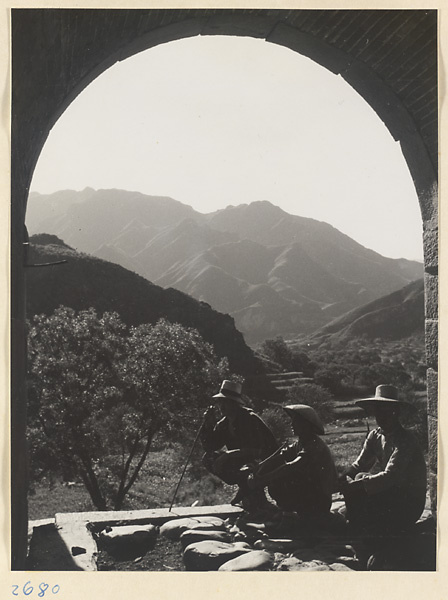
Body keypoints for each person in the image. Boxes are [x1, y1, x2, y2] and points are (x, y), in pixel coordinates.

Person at [339, 384, 427, 536]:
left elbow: (391, 476)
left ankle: (371, 530)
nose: (381, 416)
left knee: (359, 489)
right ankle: (361, 524)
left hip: (408, 500)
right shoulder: (375, 435)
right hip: (390, 493)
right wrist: (342, 477)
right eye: (378, 411)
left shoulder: (405, 439)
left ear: (395, 413)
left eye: (386, 411)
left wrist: (358, 485)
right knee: (357, 480)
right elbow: (360, 464)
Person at [200, 380, 279, 509]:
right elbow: (210, 447)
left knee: (247, 469)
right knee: (208, 458)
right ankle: (245, 487)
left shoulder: (249, 419)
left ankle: (253, 494)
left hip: (267, 461)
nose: (221, 406)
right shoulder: (224, 424)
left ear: (234, 404)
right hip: (244, 462)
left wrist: (228, 455)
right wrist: (207, 425)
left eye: (225, 402)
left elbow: (257, 450)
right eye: (221, 402)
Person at [248, 404, 337, 517]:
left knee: (280, 478)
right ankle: (288, 512)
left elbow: (291, 466)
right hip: (309, 493)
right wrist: (259, 469)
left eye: (296, 422)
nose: (292, 424)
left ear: (306, 425)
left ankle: (296, 514)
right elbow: (280, 457)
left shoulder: (314, 445)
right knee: (276, 471)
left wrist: (263, 479)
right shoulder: (300, 443)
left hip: (319, 499)